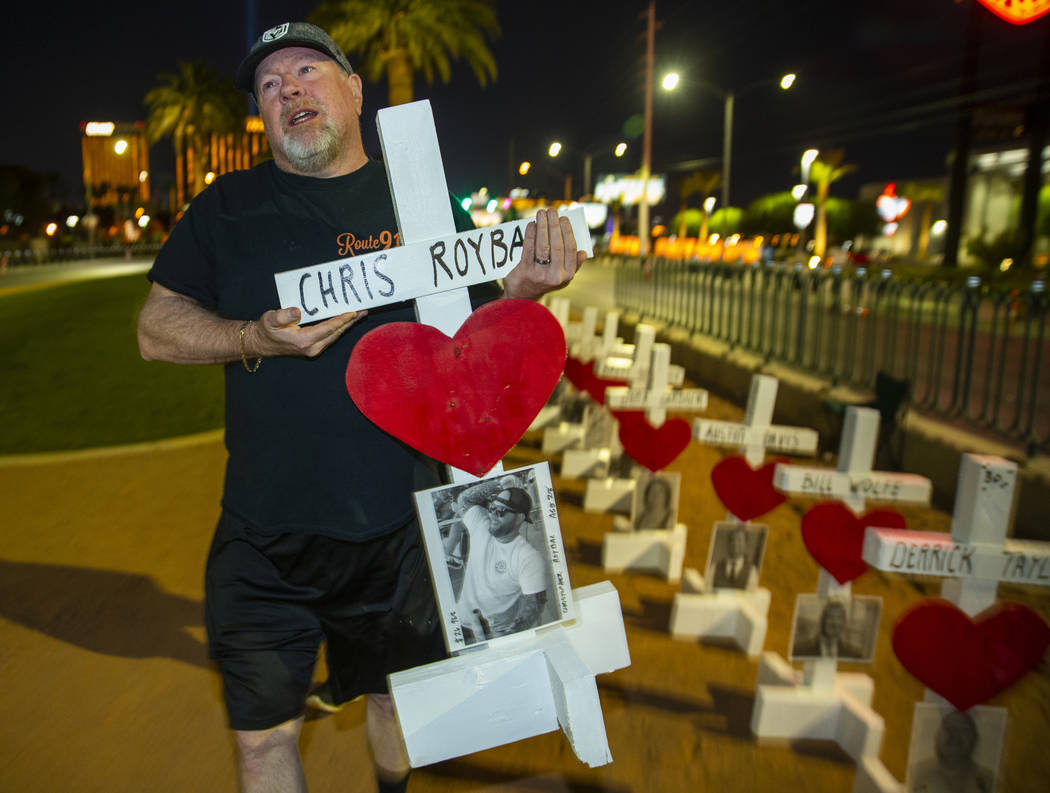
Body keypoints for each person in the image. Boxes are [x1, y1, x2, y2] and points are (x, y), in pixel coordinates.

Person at [135, 21, 585, 793]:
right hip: (264, 529)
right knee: (259, 741)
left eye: (308, 69)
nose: (290, 91)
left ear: (354, 89)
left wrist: (525, 290)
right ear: (264, 115)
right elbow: (154, 329)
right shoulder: (227, 207)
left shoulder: (420, 196)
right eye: (270, 86)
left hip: (399, 527)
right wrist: (254, 336)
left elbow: (476, 330)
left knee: (395, 697)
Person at [442, 477, 547, 643]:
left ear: (519, 518)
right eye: (492, 508)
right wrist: (501, 484)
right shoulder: (481, 525)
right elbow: (465, 499)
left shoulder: (527, 556)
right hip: (460, 625)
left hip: (493, 633)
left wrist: (505, 638)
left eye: (501, 511)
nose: (492, 514)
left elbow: (534, 606)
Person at [909, 709, 995, 793]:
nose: (954, 736)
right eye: (948, 729)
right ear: (937, 736)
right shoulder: (917, 774)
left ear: (975, 738)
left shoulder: (988, 780)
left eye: (963, 730)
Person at [791, 599, 865, 659]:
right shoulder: (800, 651)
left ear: (844, 623)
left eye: (839, 618)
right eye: (830, 617)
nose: (834, 623)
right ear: (822, 620)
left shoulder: (854, 655)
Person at [709, 525, 758, 590]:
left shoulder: (752, 571)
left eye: (739, 540)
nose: (735, 543)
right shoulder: (714, 567)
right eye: (732, 540)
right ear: (728, 543)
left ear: (745, 544)